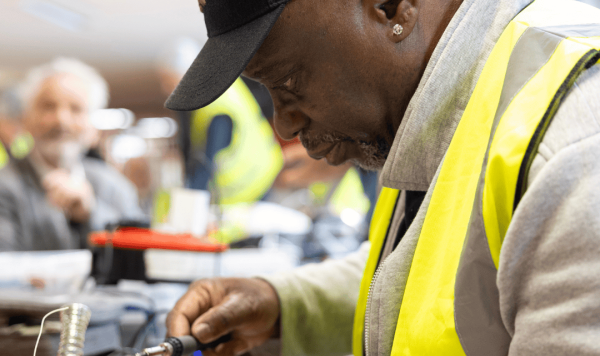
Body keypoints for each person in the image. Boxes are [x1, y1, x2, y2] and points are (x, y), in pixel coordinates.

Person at [165, 0, 600, 355]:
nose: (284, 126)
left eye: (290, 81)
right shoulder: (434, 108)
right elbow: (439, 277)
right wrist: (285, 304)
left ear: (392, 7)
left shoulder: (575, 143)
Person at [0, 58, 144, 251]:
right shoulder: (5, 186)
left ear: (93, 127)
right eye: (48, 106)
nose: (61, 120)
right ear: (26, 119)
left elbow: (139, 252)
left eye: (76, 108)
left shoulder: (114, 186)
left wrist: (90, 213)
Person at [157, 38, 283, 204]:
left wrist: (189, 202)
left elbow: (206, 161)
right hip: (256, 176)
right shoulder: (216, 89)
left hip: (252, 182)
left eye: (169, 80)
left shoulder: (216, 104)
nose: (166, 89)